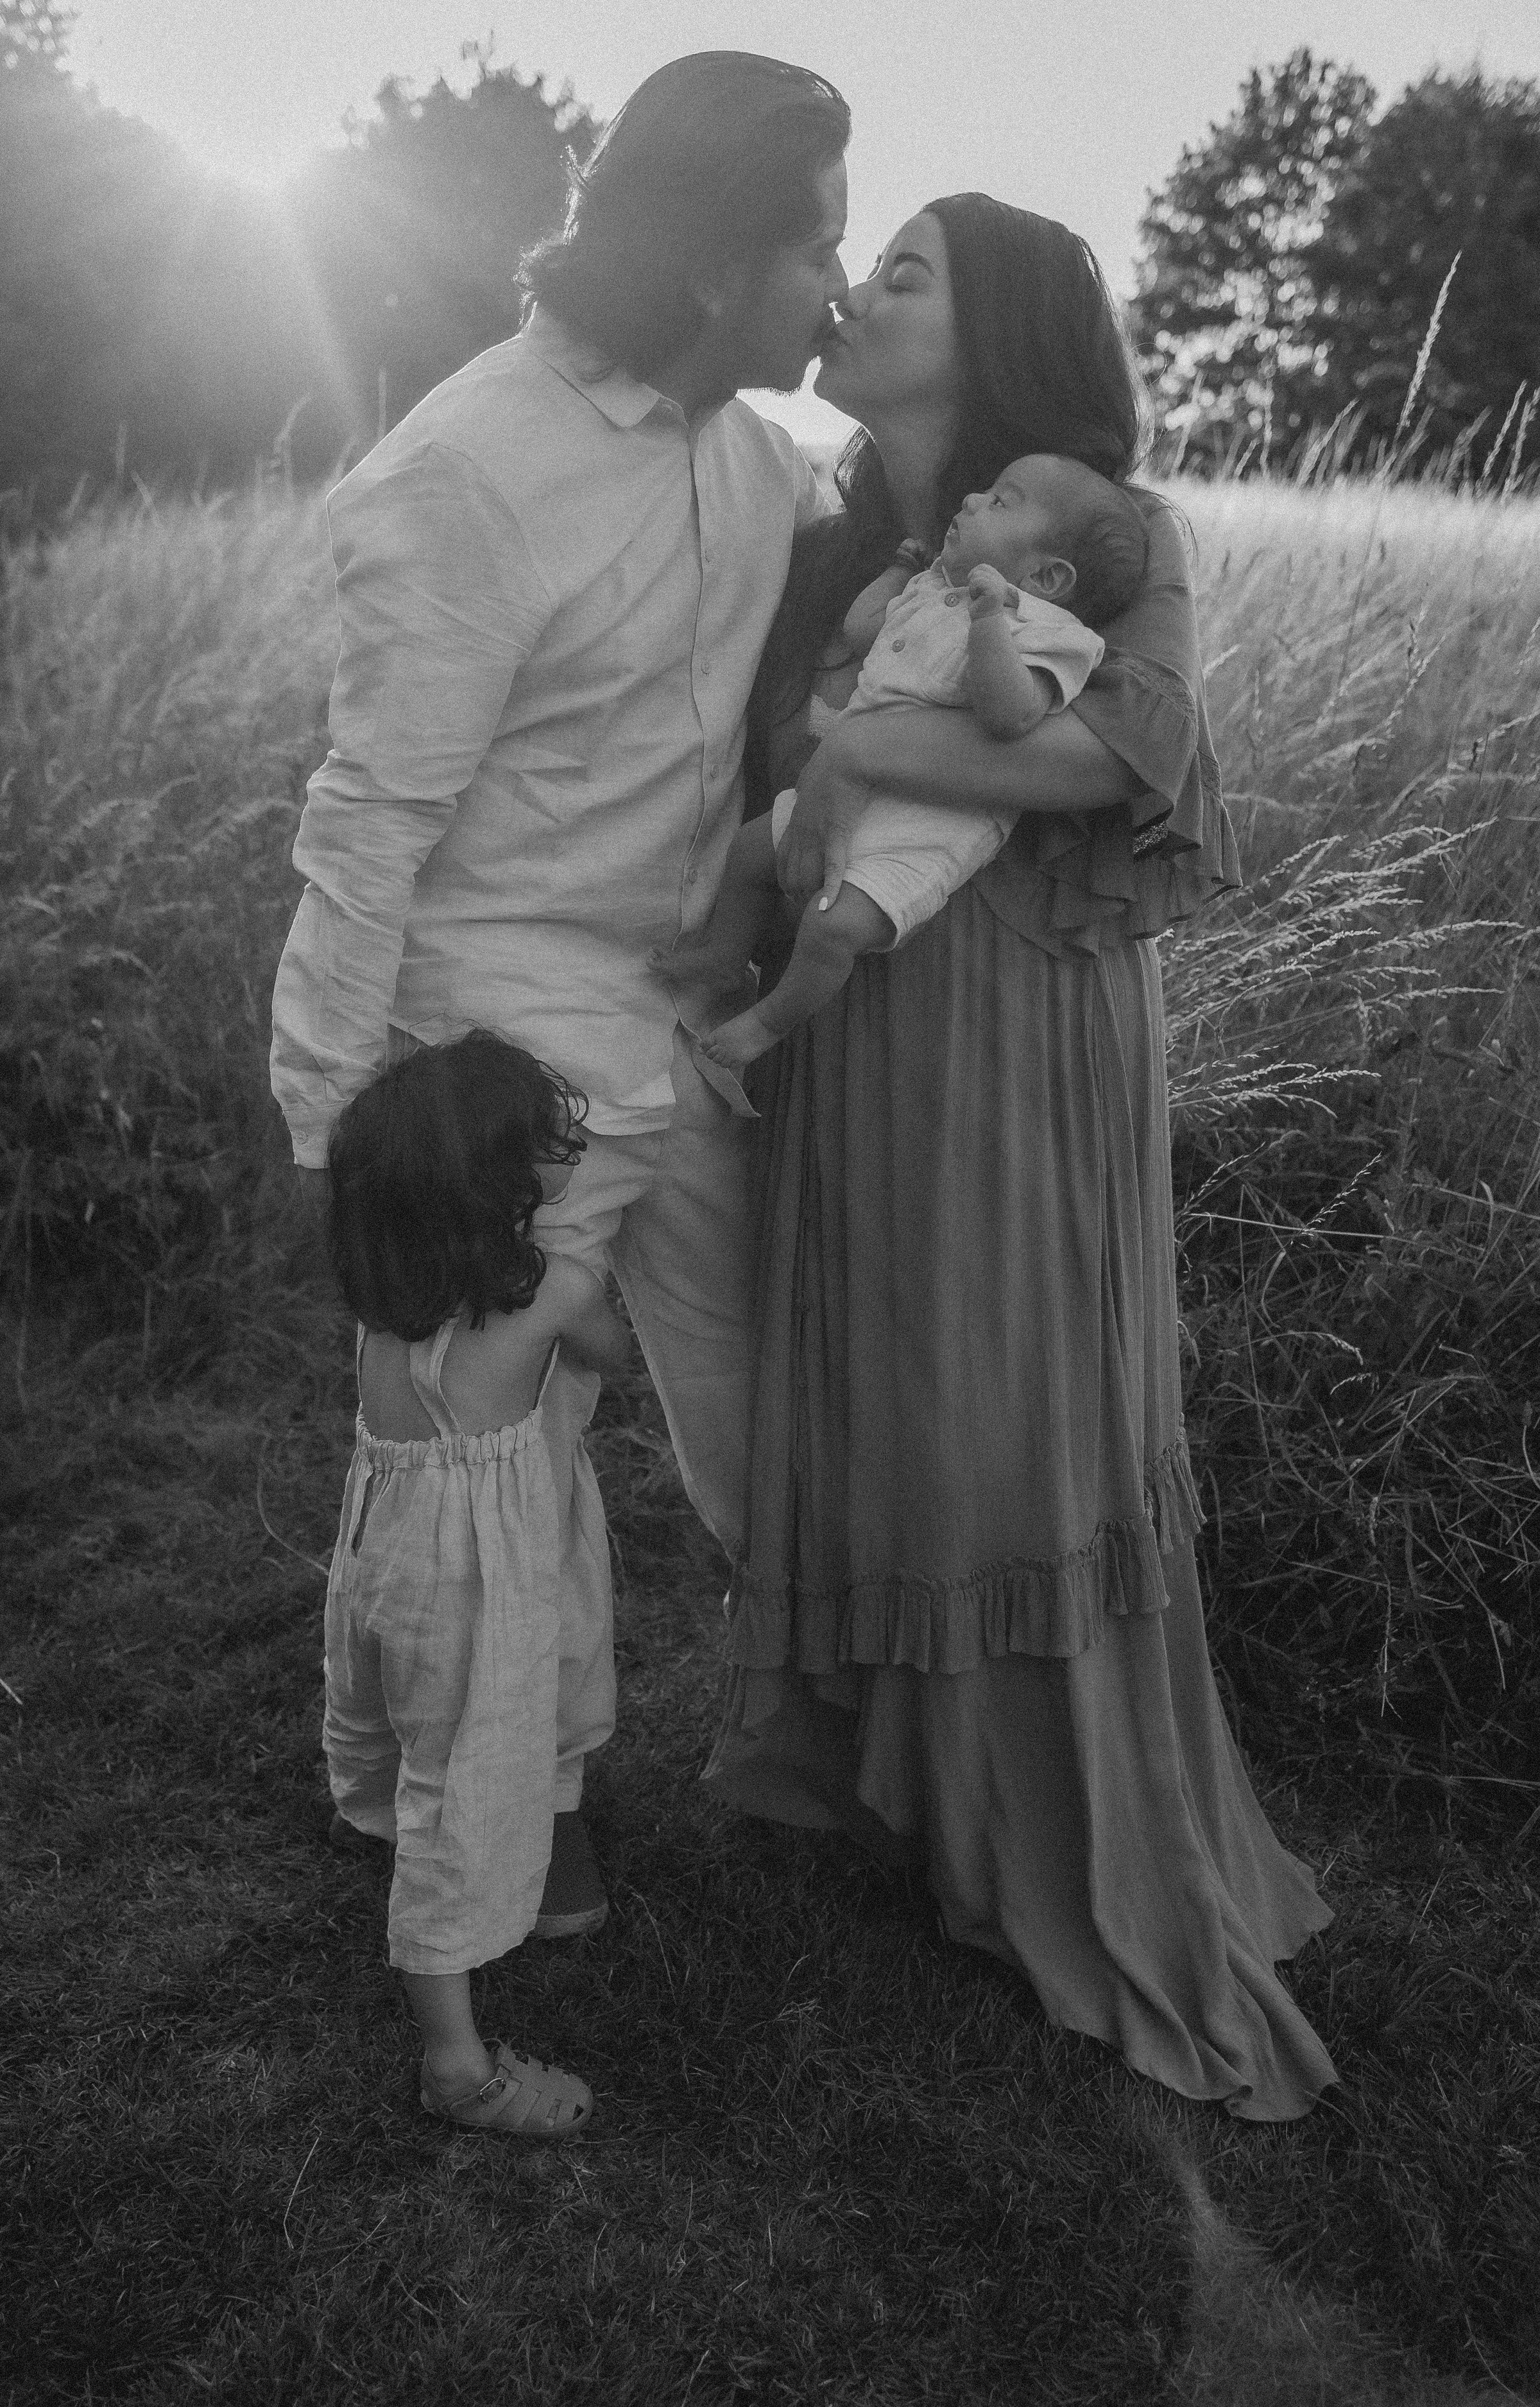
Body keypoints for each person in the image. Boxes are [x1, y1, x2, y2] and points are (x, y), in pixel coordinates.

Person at [702, 194, 1339, 2120]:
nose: (858, 286)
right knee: (879, 1379)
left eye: (905, 271)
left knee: (993, 1396)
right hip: (851, 1013)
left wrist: (870, 768)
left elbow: (1112, 762)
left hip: (1007, 1020)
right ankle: (877, 1777)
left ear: (996, 343)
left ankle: (1047, 1836)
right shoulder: (820, 546)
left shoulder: (1095, 528)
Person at [270, 54, 852, 1939]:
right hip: (499, 1052)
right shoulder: (462, 470)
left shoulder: (761, 465)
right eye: (812, 251)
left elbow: (798, 716)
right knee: (504, 1458)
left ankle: (840, 1745)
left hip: (687, 1023)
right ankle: (535, 1794)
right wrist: (332, 1120)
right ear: (703, 276)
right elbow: (370, 818)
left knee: (782, 1401)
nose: (830, 294)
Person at [322, 1028, 632, 2134]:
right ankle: (456, 2065)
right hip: (483, 1572)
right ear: (506, 1183)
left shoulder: (386, 1292)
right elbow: (616, 1352)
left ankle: (463, 1846)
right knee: (466, 1777)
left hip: (393, 1552)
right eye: (551, 1135)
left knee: (418, 1729)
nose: (572, 1139)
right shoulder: (555, 1288)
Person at [665, 454, 1146, 1080]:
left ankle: (767, 1022)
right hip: (843, 794)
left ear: (1048, 576)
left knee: (834, 929)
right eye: (985, 487)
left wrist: (989, 621)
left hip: (924, 825)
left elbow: (1010, 715)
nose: (972, 498)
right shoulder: (932, 589)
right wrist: (901, 570)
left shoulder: (1052, 633)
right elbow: (863, 631)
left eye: (1002, 502)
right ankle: (725, 957)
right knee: (750, 853)